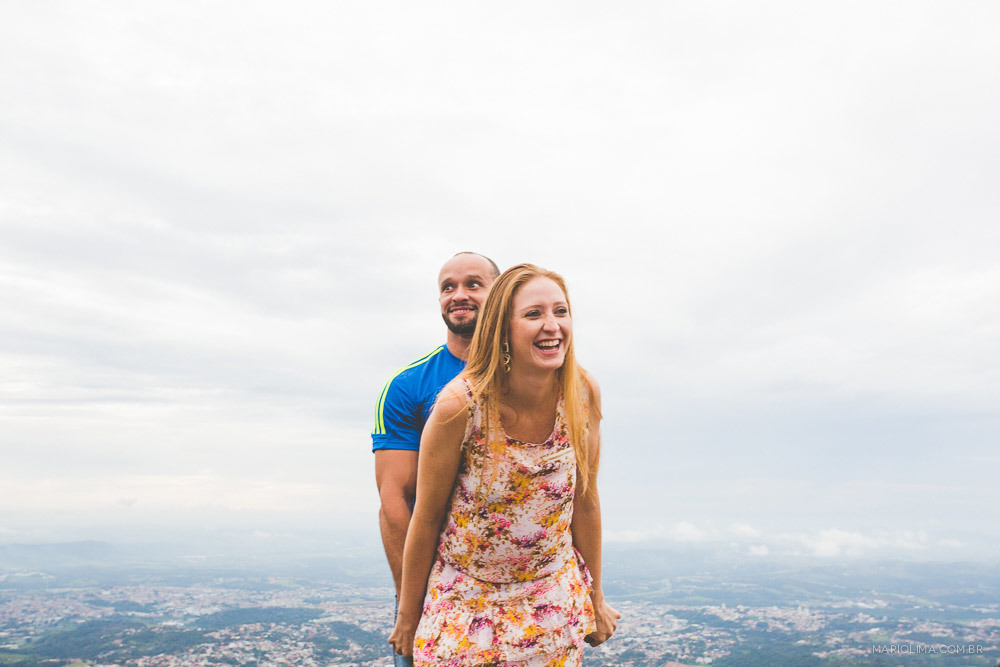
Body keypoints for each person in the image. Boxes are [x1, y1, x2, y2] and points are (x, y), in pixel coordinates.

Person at [389, 263, 620, 666]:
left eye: (560, 312)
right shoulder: (459, 406)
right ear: (503, 328)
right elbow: (425, 518)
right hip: (466, 609)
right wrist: (409, 617)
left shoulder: (582, 393)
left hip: (552, 607)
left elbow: (585, 501)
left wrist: (595, 598)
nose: (552, 326)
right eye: (534, 314)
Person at [373, 252, 500, 667]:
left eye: (473, 284)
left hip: (522, 586)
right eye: (448, 287)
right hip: (436, 588)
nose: (458, 295)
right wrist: (413, 602)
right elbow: (395, 503)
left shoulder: (535, 374)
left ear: (499, 294)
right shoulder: (409, 385)